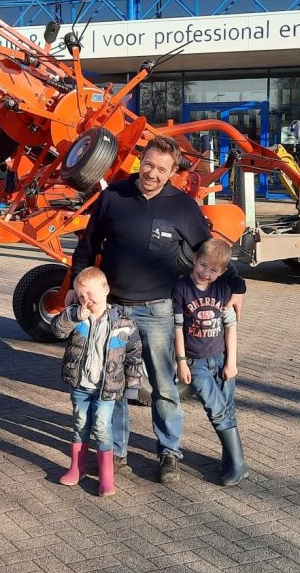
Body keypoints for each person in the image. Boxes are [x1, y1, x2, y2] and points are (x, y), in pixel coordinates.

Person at [69, 135, 213, 483]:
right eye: (148, 164)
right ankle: (115, 452)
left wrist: (231, 289)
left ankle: (168, 453)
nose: (152, 173)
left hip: (159, 311)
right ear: (140, 161)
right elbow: (87, 247)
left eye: (162, 169)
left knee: (164, 385)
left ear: (173, 172)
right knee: (114, 386)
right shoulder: (113, 197)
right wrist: (76, 287)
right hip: (114, 311)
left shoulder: (182, 207)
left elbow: (208, 255)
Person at [50, 267, 143, 497]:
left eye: (90, 294)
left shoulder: (123, 323)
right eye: (81, 296)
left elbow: (134, 355)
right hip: (81, 385)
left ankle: (106, 476)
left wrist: (132, 387)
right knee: (80, 424)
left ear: (106, 290)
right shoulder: (76, 316)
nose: (86, 300)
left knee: (102, 427)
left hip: (106, 389)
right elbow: (56, 330)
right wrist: (72, 315)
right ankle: (77, 467)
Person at [173, 237, 249, 486]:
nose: (206, 273)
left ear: (223, 272)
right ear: (195, 260)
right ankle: (238, 464)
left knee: (227, 409)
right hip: (196, 363)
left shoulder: (224, 289)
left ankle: (231, 462)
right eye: (203, 265)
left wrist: (232, 363)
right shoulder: (181, 288)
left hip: (222, 359)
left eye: (213, 270)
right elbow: (177, 327)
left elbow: (231, 327)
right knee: (216, 410)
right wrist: (182, 361)